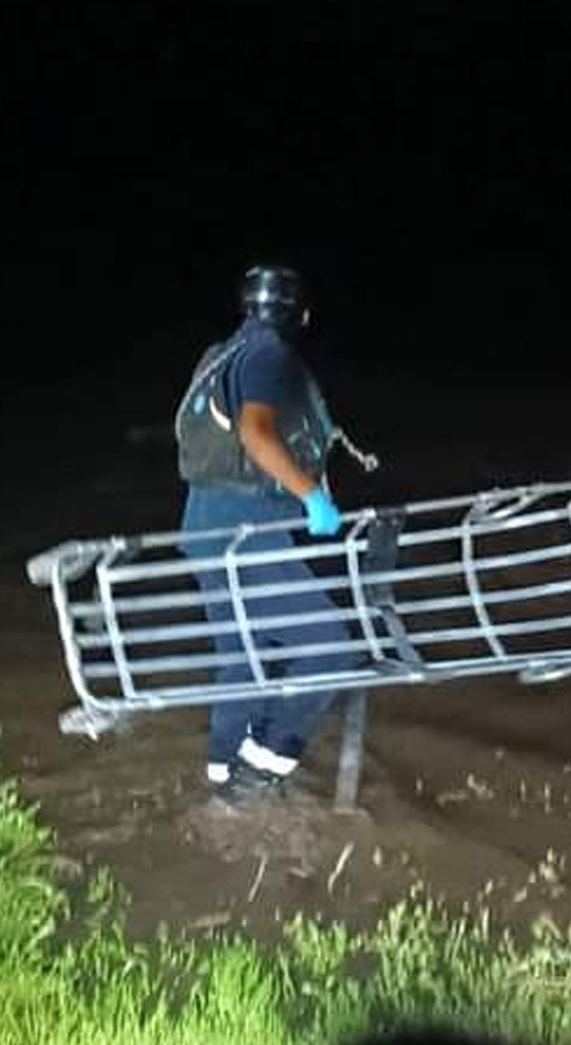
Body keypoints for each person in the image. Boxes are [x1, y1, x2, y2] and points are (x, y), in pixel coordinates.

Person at [173, 264, 364, 804]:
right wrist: (311, 495)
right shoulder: (267, 354)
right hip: (243, 527)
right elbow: (255, 433)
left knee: (243, 657)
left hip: (204, 523)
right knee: (330, 647)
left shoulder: (222, 353)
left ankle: (221, 783)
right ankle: (262, 769)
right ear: (300, 315)